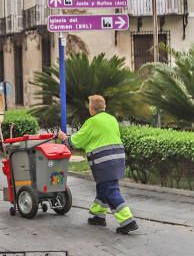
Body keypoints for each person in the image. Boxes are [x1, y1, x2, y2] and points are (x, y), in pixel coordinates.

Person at [58, 94, 138, 235]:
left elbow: (77, 141)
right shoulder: (112, 119)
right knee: (103, 187)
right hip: (118, 158)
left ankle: (128, 221)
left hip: (104, 161)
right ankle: (98, 216)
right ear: (104, 107)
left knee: (111, 190)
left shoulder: (92, 122)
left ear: (91, 109)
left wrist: (64, 139)